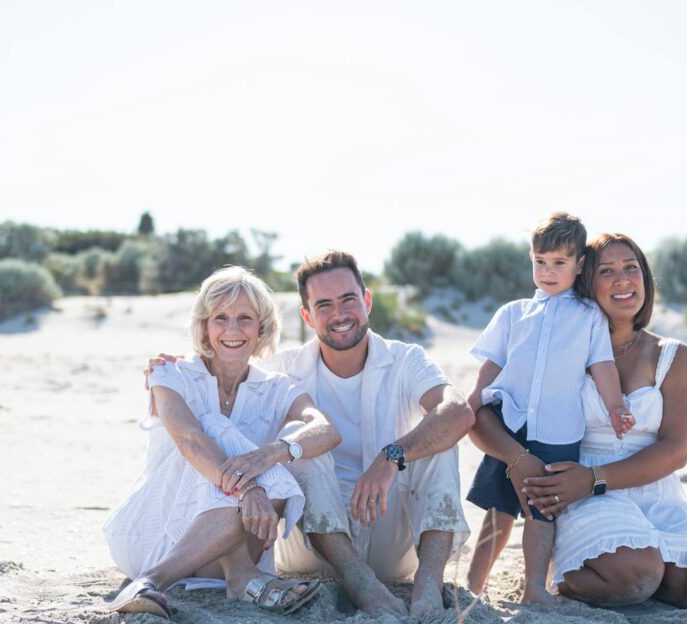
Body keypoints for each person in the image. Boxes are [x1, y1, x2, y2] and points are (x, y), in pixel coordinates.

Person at [146, 251, 474, 619]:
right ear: (307, 315)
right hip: (310, 543)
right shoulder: (282, 370)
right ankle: (360, 584)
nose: (339, 314)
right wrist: (171, 369)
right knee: (297, 439)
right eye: (324, 305)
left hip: (388, 530)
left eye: (348, 299)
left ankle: (428, 587)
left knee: (438, 440)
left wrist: (390, 456)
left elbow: (459, 411)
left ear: (366, 301)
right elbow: (226, 363)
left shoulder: (405, 360)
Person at [105, 266, 341, 618]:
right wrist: (249, 490)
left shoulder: (278, 387)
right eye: (221, 318)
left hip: (224, 542)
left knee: (278, 466)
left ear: (261, 326)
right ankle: (156, 580)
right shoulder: (170, 374)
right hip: (156, 536)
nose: (232, 329)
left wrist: (274, 452)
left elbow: (325, 429)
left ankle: (234, 575)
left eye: (244, 318)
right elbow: (190, 440)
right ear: (204, 325)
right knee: (216, 428)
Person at [518, 233, 687, 608]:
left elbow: (675, 450)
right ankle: (574, 566)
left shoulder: (674, 355)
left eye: (631, 268)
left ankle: (642, 567)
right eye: (607, 271)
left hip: (652, 486)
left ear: (645, 279)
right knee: (637, 572)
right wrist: (539, 472)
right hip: (580, 489)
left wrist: (596, 480)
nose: (622, 280)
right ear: (586, 283)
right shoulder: (559, 350)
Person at [464, 212, 632, 604]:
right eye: (540, 261)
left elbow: (602, 365)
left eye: (559, 263)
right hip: (510, 425)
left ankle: (534, 588)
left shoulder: (589, 316)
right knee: (498, 511)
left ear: (579, 265)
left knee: (543, 513)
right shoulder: (513, 314)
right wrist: (473, 401)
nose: (548, 271)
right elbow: (492, 366)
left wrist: (615, 405)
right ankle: (472, 586)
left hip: (557, 433)